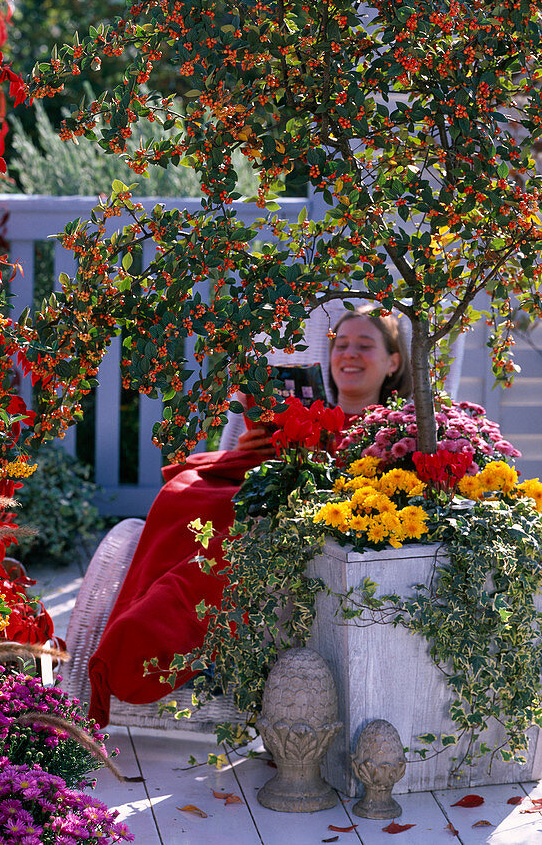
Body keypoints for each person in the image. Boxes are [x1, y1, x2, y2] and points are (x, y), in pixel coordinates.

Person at [88, 306, 411, 725]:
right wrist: (253, 448)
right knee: (183, 495)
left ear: (394, 362)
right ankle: (155, 626)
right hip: (258, 487)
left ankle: (154, 640)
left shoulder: (394, 434)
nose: (349, 354)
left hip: (307, 519)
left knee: (233, 544)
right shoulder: (308, 403)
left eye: (365, 345)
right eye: (341, 344)